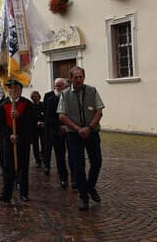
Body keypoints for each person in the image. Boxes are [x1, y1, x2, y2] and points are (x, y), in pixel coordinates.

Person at [57, 66, 104, 211]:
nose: (78, 79)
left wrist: (89, 128)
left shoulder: (92, 90)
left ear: (84, 77)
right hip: (74, 135)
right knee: (78, 166)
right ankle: (83, 196)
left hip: (92, 132)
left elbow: (99, 111)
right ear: (70, 79)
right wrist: (78, 129)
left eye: (81, 77)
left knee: (96, 162)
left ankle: (90, 187)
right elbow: (62, 116)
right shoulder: (65, 95)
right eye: (75, 77)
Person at [0, 79, 36, 203]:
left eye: (16, 88)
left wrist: (20, 117)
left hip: (23, 141)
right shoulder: (3, 105)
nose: (13, 91)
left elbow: (32, 122)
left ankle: (24, 192)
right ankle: (6, 193)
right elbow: (0, 125)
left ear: (20, 89)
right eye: (10, 89)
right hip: (9, 142)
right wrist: (8, 136)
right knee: (8, 167)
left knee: (23, 167)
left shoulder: (27, 104)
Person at [44, 78, 73, 189]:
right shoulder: (51, 100)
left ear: (65, 86)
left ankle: (75, 179)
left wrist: (68, 126)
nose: (58, 87)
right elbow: (49, 117)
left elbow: (73, 114)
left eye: (60, 85)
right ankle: (63, 179)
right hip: (57, 132)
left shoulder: (71, 98)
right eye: (56, 85)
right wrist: (59, 127)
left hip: (70, 130)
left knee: (73, 155)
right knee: (60, 157)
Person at [30, 91, 44, 168]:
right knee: (35, 145)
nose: (35, 98)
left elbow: (46, 115)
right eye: (34, 97)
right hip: (34, 128)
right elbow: (29, 117)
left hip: (43, 127)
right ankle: (37, 160)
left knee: (44, 143)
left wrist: (43, 123)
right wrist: (36, 123)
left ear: (39, 96)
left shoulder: (43, 104)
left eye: (37, 96)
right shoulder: (30, 106)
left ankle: (44, 158)